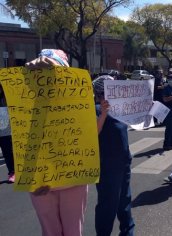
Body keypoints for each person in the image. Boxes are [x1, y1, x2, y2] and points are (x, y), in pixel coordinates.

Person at [25, 49, 87, 236]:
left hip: (73, 178)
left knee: (72, 231)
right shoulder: (25, 101)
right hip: (39, 180)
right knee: (50, 231)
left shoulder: (79, 98)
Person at [93, 75, 135, 236]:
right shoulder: (95, 109)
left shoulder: (120, 108)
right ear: (100, 94)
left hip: (124, 161)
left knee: (124, 201)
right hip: (107, 166)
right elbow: (93, 133)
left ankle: (128, 231)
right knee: (107, 205)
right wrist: (103, 113)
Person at [0, 84, 14, 183]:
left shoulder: (6, 96)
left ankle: (13, 172)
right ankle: (12, 172)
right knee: (7, 150)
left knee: (8, 150)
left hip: (6, 127)